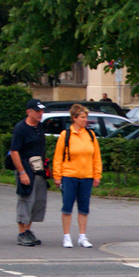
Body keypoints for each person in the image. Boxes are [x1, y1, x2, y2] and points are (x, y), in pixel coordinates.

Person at [53, 104, 102, 248]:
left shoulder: (91, 135)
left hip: (86, 176)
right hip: (69, 175)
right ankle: (66, 236)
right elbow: (58, 157)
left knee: (84, 207)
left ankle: (82, 236)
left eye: (86, 117)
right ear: (74, 118)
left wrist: (96, 174)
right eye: (82, 117)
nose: (85, 120)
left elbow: (96, 157)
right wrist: (57, 175)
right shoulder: (65, 135)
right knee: (67, 207)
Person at [10, 99, 48, 246]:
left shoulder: (40, 127)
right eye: (37, 111)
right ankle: (21, 232)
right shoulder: (21, 128)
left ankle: (28, 230)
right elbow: (14, 151)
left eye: (41, 111)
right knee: (25, 200)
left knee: (37, 201)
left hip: (38, 169)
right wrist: (21, 172)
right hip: (25, 169)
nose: (40, 114)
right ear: (29, 112)